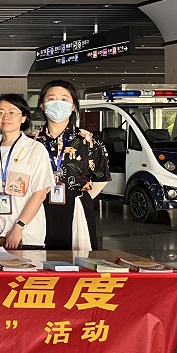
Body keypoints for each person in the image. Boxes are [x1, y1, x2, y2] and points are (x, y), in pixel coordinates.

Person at [33, 79, 111, 249]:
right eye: (51, 99)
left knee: (77, 256)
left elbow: (101, 177)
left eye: (64, 99)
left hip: (77, 207)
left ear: (73, 106)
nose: (57, 103)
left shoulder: (89, 141)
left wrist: (80, 198)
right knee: (38, 256)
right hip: (36, 207)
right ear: (42, 105)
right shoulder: (32, 141)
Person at [0, 94, 54, 249]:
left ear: (23, 118)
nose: (5, 117)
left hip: (26, 234)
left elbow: (40, 193)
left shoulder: (35, 149)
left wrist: (19, 226)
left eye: (12, 112)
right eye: (0, 112)